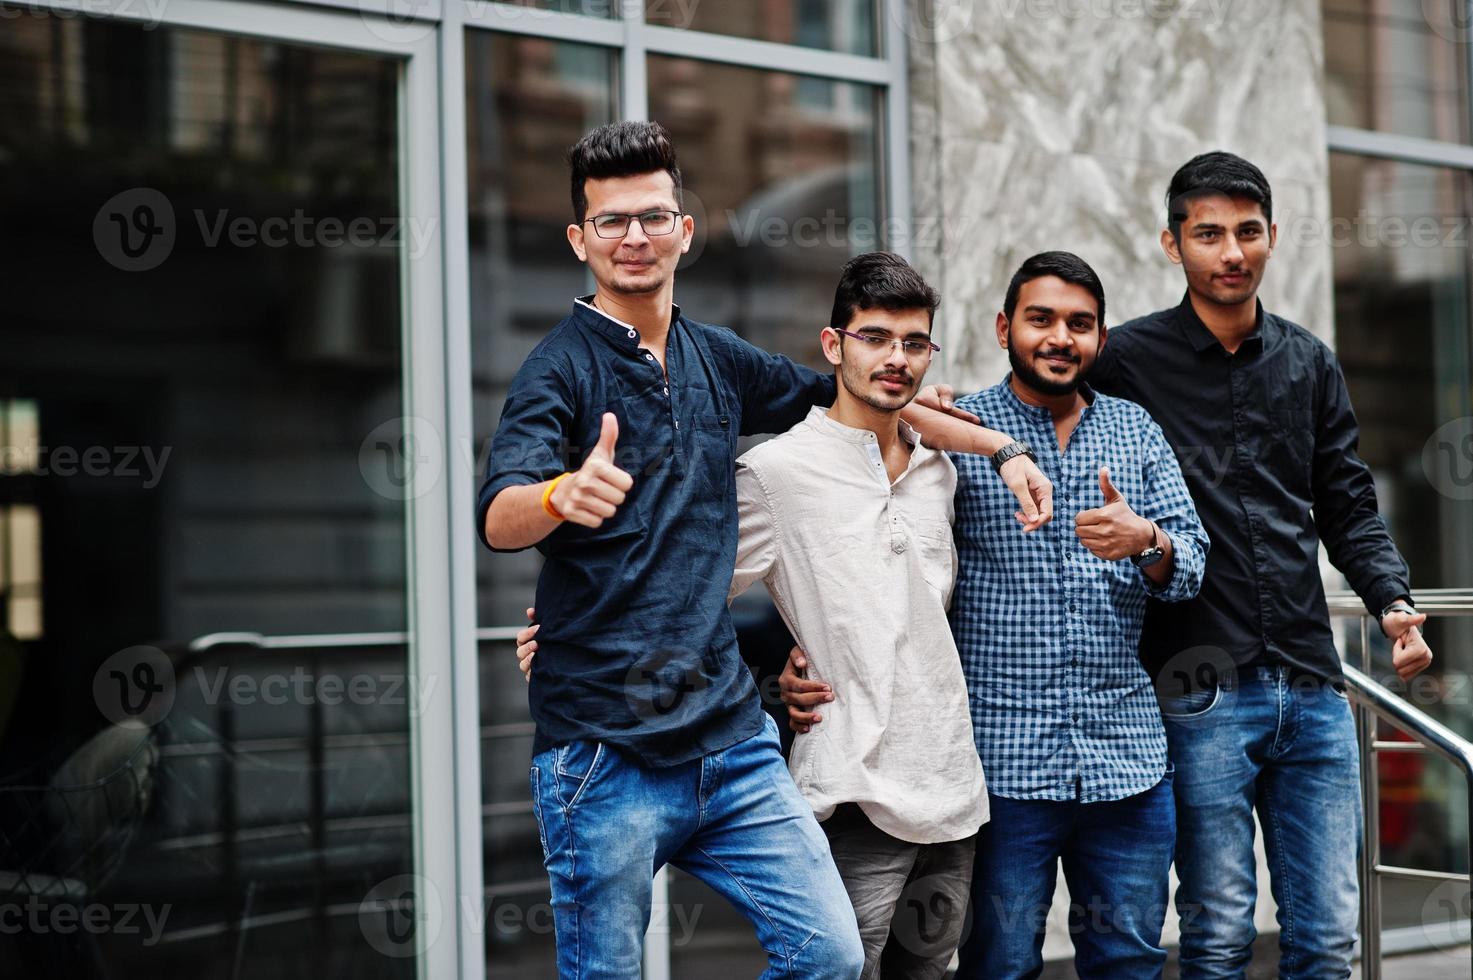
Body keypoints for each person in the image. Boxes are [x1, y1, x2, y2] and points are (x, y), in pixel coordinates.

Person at [478, 120, 1050, 978]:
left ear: (684, 229)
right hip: (603, 753)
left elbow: (857, 396)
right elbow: (499, 514)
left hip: (729, 744)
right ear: (578, 239)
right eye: (611, 221)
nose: (634, 237)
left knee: (825, 955)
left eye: (652, 216)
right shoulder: (556, 369)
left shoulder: (719, 358)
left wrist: (1000, 452)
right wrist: (561, 495)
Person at [784, 252, 1209, 979]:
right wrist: (807, 651)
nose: (1058, 338)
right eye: (1040, 319)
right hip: (1000, 766)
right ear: (1004, 327)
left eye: (1079, 324)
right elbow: (866, 431)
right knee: (999, 965)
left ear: (1099, 341)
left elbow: (1190, 566)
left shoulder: (1135, 432)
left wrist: (1147, 541)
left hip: (1127, 765)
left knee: (1129, 962)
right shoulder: (952, 428)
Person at [1079, 151, 1434, 979]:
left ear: (1271, 236)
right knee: (1217, 936)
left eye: (1245, 232)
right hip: (1196, 685)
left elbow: (1345, 505)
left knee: (1325, 940)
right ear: (1173, 245)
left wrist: (1390, 601)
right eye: (1207, 234)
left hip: (1311, 682)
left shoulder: (1308, 362)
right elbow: (1034, 407)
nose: (1229, 251)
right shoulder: (1125, 360)